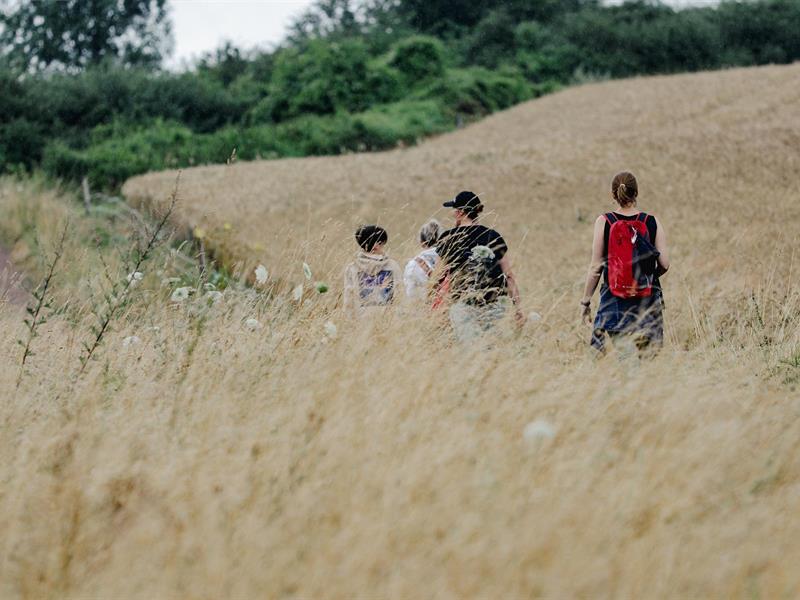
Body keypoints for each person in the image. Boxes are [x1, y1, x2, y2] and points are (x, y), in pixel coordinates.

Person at [581, 171, 670, 356]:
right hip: (648, 299)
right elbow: (665, 264)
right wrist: (648, 276)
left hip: (615, 299)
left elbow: (596, 268)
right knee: (648, 361)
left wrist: (586, 302)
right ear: (636, 193)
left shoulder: (604, 222)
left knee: (625, 359)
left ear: (613, 195)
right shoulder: (652, 221)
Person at [436, 191, 524, 341]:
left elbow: (437, 276)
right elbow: (508, 275)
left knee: (470, 351)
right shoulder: (494, 236)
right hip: (495, 305)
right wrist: (518, 308)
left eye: (454, 210)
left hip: (463, 305)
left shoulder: (448, 238)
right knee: (491, 347)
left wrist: (431, 304)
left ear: (460, 212)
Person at [343, 225, 403, 317]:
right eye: (382, 243)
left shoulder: (352, 268)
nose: (383, 246)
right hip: (388, 320)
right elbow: (400, 295)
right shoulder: (392, 265)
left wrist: (348, 320)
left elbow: (348, 299)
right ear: (377, 246)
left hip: (361, 320)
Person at [404, 219, 441, 299]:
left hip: (424, 307)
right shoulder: (451, 258)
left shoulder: (413, 264)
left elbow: (410, 294)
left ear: (422, 242)